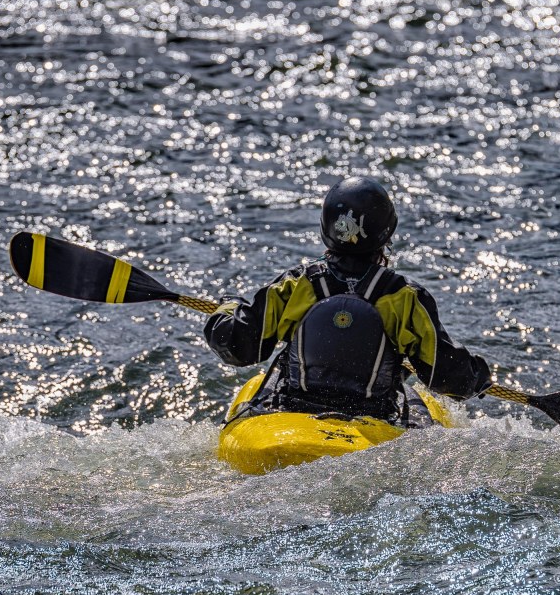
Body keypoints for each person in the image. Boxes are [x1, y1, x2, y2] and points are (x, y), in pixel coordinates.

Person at [204, 177, 491, 424]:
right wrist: (477, 377)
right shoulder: (405, 298)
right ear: (386, 234)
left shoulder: (295, 285)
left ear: (326, 229)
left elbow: (238, 347)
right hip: (374, 419)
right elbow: (448, 377)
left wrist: (228, 307)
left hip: (294, 412)